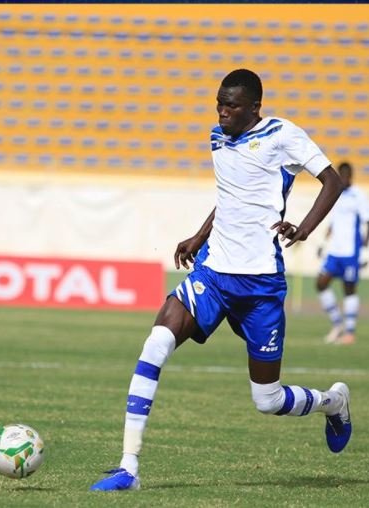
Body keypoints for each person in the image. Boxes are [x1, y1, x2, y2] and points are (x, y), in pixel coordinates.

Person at [90, 69, 351, 492]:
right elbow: (232, 198)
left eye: (231, 105)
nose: (222, 111)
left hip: (260, 285)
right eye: (218, 103)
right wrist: (199, 235)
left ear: (254, 108)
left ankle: (333, 402)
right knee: (156, 342)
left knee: (267, 399)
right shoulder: (218, 138)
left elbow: (332, 181)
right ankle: (128, 468)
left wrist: (302, 229)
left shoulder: (284, 135)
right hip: (213, 274)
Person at [316, 161, 369, 345]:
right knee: (321, 283)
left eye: (347, 175)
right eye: (342, 175)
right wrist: (323, 243)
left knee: (349, 289)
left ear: (351, 176)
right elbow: (332, 222)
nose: (345, 178)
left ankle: (349, 332)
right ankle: (337, 324)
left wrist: (365, 250)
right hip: (334, 251)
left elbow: (368, 222)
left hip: (350, 252)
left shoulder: (359, 195)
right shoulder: (335, 195)